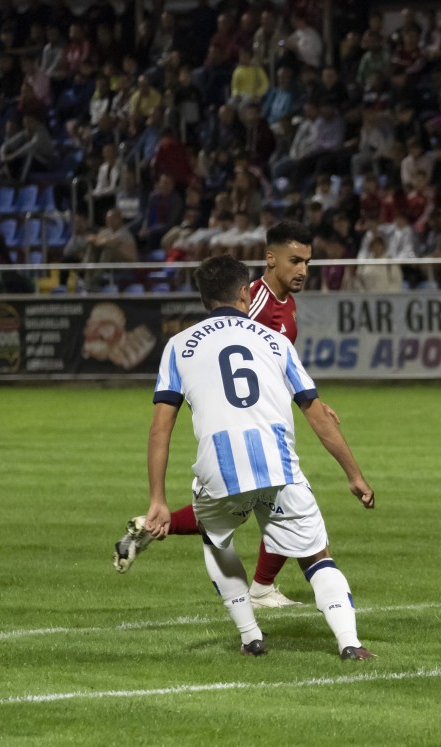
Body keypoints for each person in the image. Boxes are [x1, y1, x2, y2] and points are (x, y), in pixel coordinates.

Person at [139, 254, 374, 659]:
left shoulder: (178, 346)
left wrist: (157, 500)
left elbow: (161, 427)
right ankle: (350, 644)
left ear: (204, 299)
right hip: (278, 468)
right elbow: (316, 413)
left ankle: (251, 638)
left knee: (216, 540)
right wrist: (354, 475)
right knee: (316, 555)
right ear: (245, 293)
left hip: (218, 472)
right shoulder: (275, 341)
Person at [114, 222, 329, 610]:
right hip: (247, 418)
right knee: (269, 494)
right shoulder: (256, 303)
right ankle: (262, 587)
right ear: (270, 259)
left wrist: (309, 398)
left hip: (267, 414)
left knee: (259, 497)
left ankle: (152, 527)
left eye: (307, 263)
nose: (302, 270)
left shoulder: (286, 302)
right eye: (295, 261)